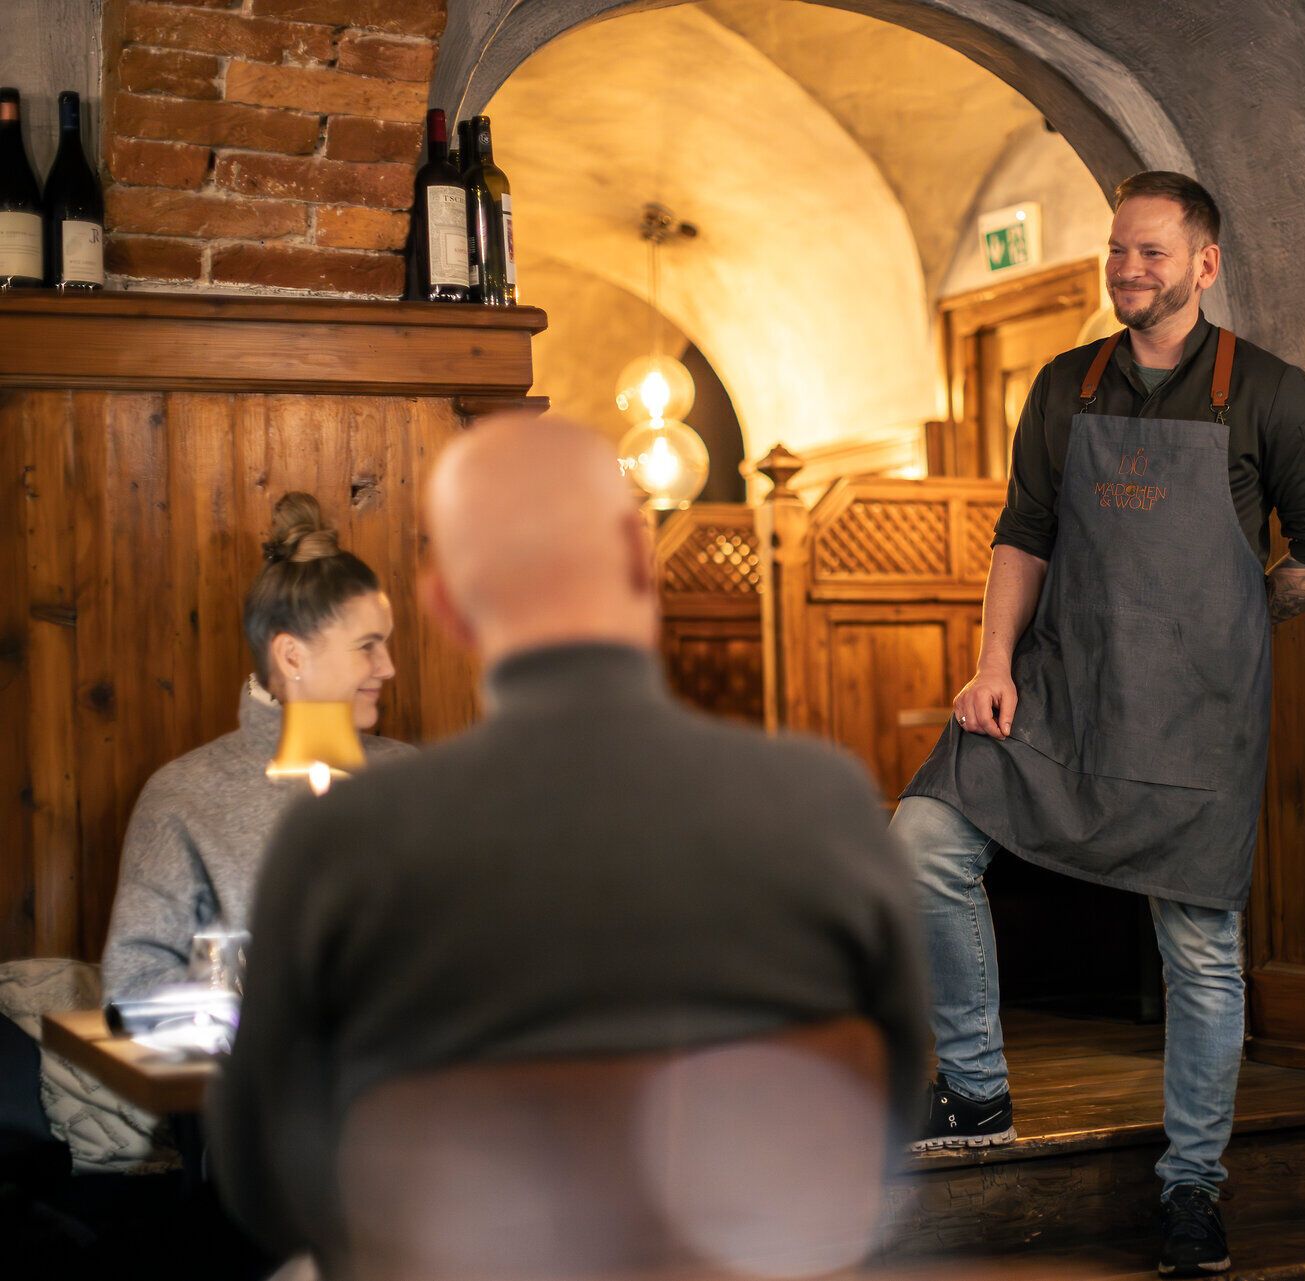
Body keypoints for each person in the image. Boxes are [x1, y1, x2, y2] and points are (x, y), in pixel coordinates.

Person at [207, 415, 926, 1270]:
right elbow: (890, 1106)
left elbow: (262, 1180)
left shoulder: (343, 841)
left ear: (443, 603)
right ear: (639, 556)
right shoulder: (825, 804)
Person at [893, 171, 1305, 1278]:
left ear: (1205, 265)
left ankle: (1192, 1189)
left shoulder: (1271, 392)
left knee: (1200, 952)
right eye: (1117, 253)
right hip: (1061, 688)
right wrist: (992, 663)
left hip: (1197, 715)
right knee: (921, 841)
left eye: (1152, 254)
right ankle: (974, 1089)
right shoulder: (1067, 384)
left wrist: (1239, 623)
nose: (1129, 273)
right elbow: (1026, 531)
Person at [102, 492, 411, 1002]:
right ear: (292, 655)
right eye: (366, 646)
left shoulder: (414, 778)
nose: (387, 667)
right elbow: (132, 989)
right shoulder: (184, 796)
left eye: (386, 643)